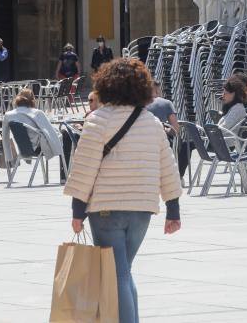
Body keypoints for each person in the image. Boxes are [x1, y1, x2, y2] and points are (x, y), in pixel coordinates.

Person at [64, 58, 182, 323]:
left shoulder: (97, 120)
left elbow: (83, 168)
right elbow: (168, 168)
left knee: (118, 275)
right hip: (142, 209)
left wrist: (77, 211)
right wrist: (172, 209)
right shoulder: (151, 122)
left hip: (106, 209)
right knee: (123, 272)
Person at [1, 88, 64, 173]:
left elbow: (5, 138)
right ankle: (64, 174)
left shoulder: (8, 115)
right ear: (33, 100)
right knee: (64, 136)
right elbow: (50, 132)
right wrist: (58, 150)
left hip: (22, 148)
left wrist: (8, 157)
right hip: (38, 149)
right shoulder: (37, 113)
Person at [147, 81, 185, 173]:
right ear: (157, 90)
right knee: (185, 144)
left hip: (142, 142)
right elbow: (175, 129)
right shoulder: (166, 103)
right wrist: (166, 129)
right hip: (161, 142)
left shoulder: (136, 103)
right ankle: (179, 175)